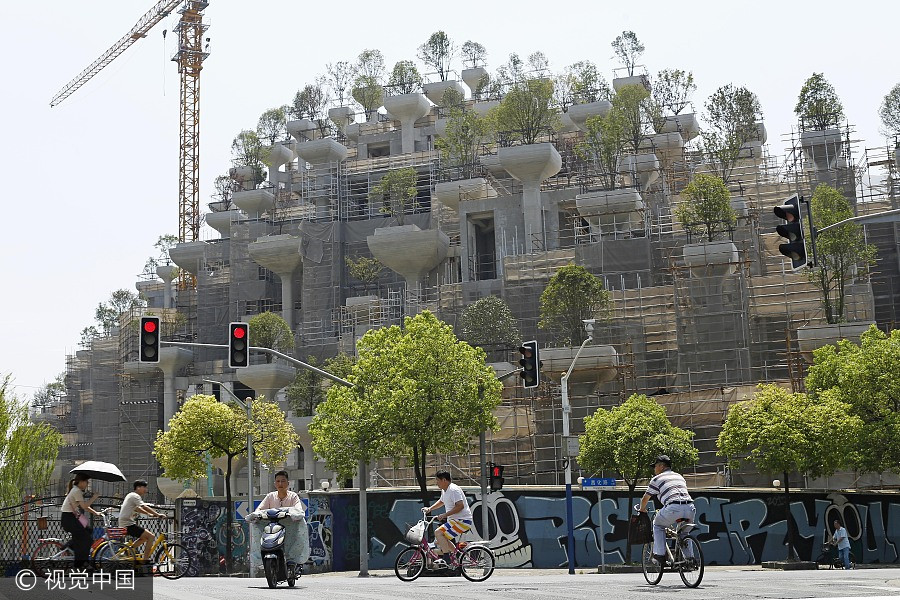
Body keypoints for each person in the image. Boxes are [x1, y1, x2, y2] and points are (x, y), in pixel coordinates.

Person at [639, 455, 695, 566]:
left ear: (661, 466)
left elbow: (646, 498)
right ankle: (690, 560)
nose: (654, 469)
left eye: (655, 466)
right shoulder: (679, 476)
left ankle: (659, 555)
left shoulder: (656, 479)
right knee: (684, 533)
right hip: (690, 508)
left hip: (673, 508)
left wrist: (642, 510)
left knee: (658, 525)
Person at [249, 471, 309, 575]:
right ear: (274, 483)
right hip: (272, 526)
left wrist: (293, 514)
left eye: (283, 481)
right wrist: (256, 516)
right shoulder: (270, 496)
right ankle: (260, 559)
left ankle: (292, 559)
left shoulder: (293, 496)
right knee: (255, 524)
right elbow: (259, 510)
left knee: (300, 523)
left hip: (289, 526)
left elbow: (298, 510)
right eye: (278, 481)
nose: (280, 484)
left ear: (288, 483)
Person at [424, 471, 474, 570]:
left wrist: (445, 515)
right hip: (455, 521)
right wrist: (430, 509)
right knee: (440, 540)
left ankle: (446, 558)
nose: (436, 483)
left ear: (444, 480)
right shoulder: (445, 490)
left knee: (438, 533)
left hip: (462, 520)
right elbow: (442, 501)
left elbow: (460, 506)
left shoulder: (454, 490)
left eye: (438, 480)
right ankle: (457, 555)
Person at [118, 480, 169, 562]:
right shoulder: (135, 496)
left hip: (126, 523)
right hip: (128, 524)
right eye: (144, 487)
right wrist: (157, 514)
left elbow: (138, 509)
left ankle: (127, 551)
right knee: (151, 536)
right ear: (138, 487)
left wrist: (150, 514)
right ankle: (145, 560)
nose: (146, 489)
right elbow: (143, 506)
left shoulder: (131, 495)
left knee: (145, 538)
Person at [61, 474, 102, 570]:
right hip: (69, 519)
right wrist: (94, 497)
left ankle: (70, 545)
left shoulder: (76, 490)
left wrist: (96, 513)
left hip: (70, 518)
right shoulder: (76, 491)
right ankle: (80, 564)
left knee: (89, 531)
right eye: (87, 482)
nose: (87, 484)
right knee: (87, 539)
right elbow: (84, 506)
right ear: (81, 482)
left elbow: (85, 506)